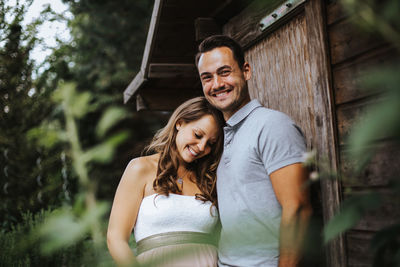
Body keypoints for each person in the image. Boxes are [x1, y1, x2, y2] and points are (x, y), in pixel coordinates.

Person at [196, 35, 312, 267]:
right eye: (207, 77)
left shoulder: (272, 125)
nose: (216, 84)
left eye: (224, 72)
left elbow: (298, 208)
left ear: (246, 71)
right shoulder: (220, 137)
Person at [107, 96, 225, 267]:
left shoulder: (210, 179)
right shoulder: (140, 168)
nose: (201, 147)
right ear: (180, 123)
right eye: (198, 135)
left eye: (210, 144)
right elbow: (116, 238)